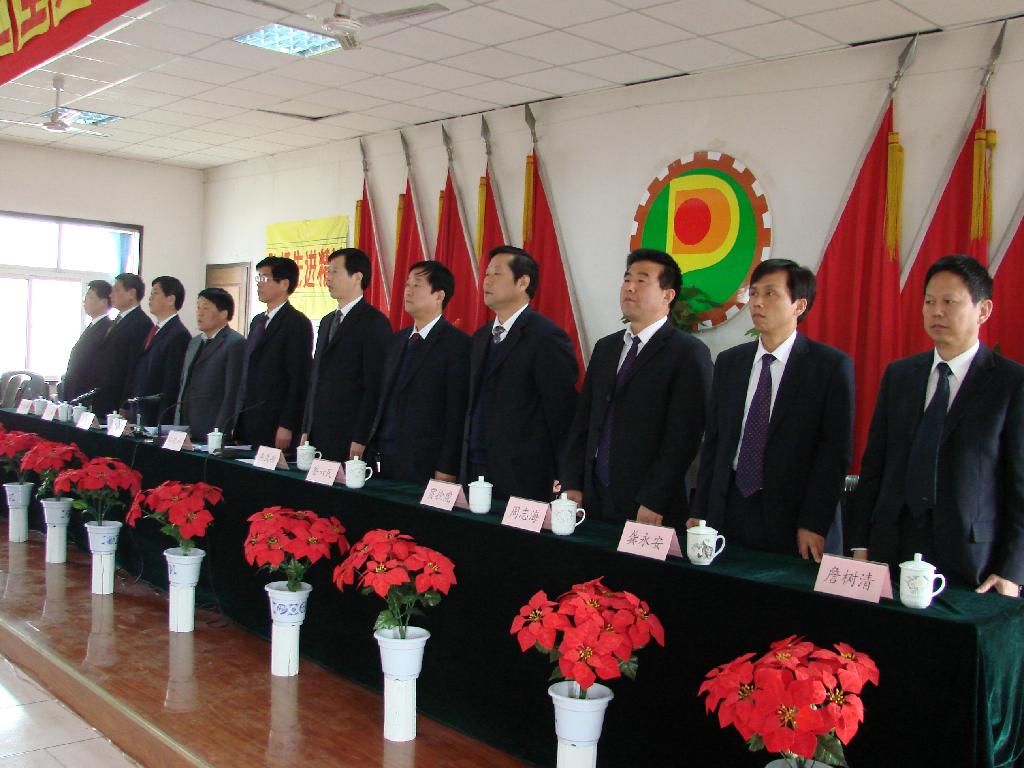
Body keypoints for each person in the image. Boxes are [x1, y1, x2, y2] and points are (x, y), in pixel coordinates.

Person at [850, 255, 1024, 596]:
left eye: (949, 302)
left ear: (983, 310)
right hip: (891, 547)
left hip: (972, 561)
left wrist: (1012, 569)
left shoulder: (1010, 382)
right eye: (929, 302)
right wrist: (859, 543)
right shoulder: (900, 375)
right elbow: (874, 467)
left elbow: (1020, 485)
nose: (936, 312)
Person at [691, 258, 853, 562]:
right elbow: (714, 441)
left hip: (792, 514)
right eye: (753, 293)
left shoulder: (829, 367)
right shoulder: (730, 362)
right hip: (730, 506)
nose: (757, 302)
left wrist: (814, 522)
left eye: (770, 293)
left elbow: (834, 454)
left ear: (799, 305)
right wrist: (700, 509)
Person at [562, 249, 712, 528]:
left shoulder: (688, 353)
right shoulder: (606, 348)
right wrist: (572, 481)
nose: (630, 287)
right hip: (593, 496)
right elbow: (584, 421)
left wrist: (655, 499)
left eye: (642, 280)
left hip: (649, 504)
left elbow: (684, 438)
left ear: (668, 295)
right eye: (627, 279)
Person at [462, 246, 578, 503]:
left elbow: (562, 414)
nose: (487, 281)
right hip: (473, 464)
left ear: (523, 282)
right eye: (486, 274)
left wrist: (566, 477)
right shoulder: (480, 337)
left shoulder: (546, 337)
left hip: (523, 472)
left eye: (496, 273)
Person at [366, 260, 470, 483]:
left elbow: (456, 413)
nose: (408, 291)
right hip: (382, 455)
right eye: (407, 284)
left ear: (439, 295)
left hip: (425, 461)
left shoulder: (457, 345)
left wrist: (447, 466)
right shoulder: (397, 341)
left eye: (417, 285)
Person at [300, 248, 391, 462]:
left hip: (349, 434)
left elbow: (374, 387)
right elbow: (315, 379)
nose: (328, 278)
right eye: (327, 271)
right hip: (318, 431)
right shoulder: (326, 321)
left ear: (357, 277)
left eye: (335, 271)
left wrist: (361, 437)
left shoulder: (374, 322)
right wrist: (306, 428)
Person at [235, 256, 312, 451]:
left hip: (275, 420)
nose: (259, 284)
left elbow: (299, 379)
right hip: (249, 415)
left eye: (264, 278)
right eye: (258, 278)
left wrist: (287, 424)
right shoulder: (257, 321)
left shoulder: (296, 323)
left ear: (284, 284)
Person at [175, 287, 245, 441]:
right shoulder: (194, 342)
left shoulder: (235, 343)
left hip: (212, 427)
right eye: (198, 308)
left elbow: (232, 393)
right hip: (187, 425)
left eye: (205, 308)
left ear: (223, 314)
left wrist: (220, 431)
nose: (199, 313)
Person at [124, 276, 191, 426]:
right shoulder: (155, 330)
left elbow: (171, 384)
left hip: (155, 416)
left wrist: (162, 422)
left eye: (155, 293)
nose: (150, 298)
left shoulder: (178, 335)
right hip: (139, 410)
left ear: (170, 299)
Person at [92, 273, 154, 417]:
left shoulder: (141, 323)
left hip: (118, 399)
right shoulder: (118, 320)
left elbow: (134, 367)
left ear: (131, 293)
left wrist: (125, 403)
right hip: (103, 395)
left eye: (116, 289)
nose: (111, 294)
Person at [60, 279, 112, 402]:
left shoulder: (107, 328)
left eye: (90, 297)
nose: (85, 301)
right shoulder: (93, 326)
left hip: (87, 394)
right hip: (76, 391)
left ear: (103, 302)